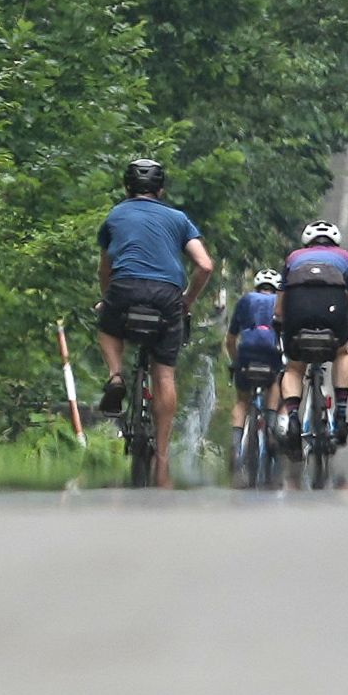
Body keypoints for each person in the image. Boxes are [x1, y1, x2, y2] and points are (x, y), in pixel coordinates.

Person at [96, 156, 213, 488]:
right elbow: (204, 265)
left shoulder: (116, 215)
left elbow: (104, 269)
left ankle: (116, 375)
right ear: (161, 189)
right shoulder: (178, 219)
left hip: (125, 287)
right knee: (164, 372)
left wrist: (108, 299)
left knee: (108, 326)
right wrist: (186, 301)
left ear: (126, 187)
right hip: (166, 296)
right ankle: (162, 458)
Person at [274, 221, 348, 454]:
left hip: (298, 316)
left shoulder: (293, 259)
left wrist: (280, 325)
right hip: (333, 317)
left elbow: (280, 309)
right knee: (342, 353)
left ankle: (293, 417)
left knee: (294, 368)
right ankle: (341, 415)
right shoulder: (347, 258)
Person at [225, 267, 283, 469]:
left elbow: (230, 340)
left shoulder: (245, 300)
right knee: (274, 381)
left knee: (242, 401)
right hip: (270, 355)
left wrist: (236, 362)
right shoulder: (281, 303)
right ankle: (270, 424)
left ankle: (235, 445)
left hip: (247, 354)